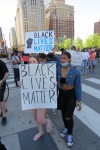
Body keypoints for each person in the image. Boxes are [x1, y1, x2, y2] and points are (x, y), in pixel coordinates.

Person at [18, 55, 52, 141]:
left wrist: (53, 82)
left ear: (38, 62)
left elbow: (50, 83)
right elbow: (23, 84)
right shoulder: (25, 72)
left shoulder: (45, 71)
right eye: (30, 62)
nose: (32, 64)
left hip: (42, 99)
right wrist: (19, 83)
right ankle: (40, 132)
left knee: (40, 119)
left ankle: (47, 121)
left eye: (34, 62)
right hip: (32, 99)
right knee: (35, 118)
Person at [57, 51, 82, 147]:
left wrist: (79, 101)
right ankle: (66, 128)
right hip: (62, 94)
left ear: (69, 59)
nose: (62, 60)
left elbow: (78, 87)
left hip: (71, 95)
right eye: (61, 58)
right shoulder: (57, 70)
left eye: (64, 58)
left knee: (68, 115)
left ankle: (70, 134)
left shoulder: (76, 72)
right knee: (63, 113)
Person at [0, 59, 9, 125]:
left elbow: (7, 73)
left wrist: (2, 81)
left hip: (1, 83)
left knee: (0, 99)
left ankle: (4, 116)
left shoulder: (1, 63)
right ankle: (5, 108)